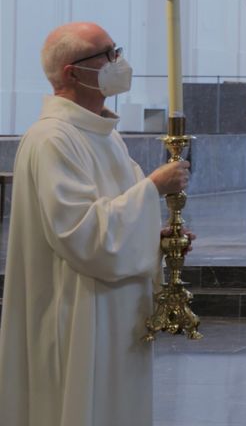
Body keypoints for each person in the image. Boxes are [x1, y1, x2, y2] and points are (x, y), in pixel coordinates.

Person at [0, 22, 192, 426]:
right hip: (77, 310)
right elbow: (80, 234)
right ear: (71, 72)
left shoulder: (103, 134)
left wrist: (156, 239)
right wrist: (153, 189)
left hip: (116, 308)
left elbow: (113, 215)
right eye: (105, 55)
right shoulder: (53, 138)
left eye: (115, 51)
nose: (117, 62)